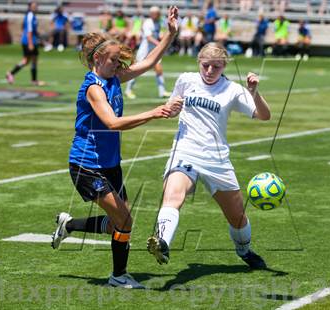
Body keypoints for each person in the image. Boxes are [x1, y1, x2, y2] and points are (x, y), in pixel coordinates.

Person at [51, 6, 181, 289]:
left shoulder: (113, 77)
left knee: (116, 224)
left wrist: (170, 35)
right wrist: (154, 112)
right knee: (125, 220)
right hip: (87, 165)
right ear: (98, 58)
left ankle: (69, 225)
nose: (119, 66)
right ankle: (118, 276)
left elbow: (146, 63)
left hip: (110, 164)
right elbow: (112, 123)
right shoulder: (94, 88)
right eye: (114, 61)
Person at [147, 42, 271, 270]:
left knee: (237, 217)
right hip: (185, 150)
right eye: (205, 65)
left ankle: (244, 250)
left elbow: (264, 115)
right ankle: (162, 241)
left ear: (224, 65)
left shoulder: (232, 90)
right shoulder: (185, 80)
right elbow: (171, 108)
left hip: (217, 159)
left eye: (216, 66)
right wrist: (171, 109)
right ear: (199, 63)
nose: (210, 71)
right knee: (173, 195)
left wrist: (254, 93)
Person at [125, 6, 171, 99]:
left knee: (159, 69)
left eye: (158, 13)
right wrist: (161, 44)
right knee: (136, 70)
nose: (157, 15)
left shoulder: (159, 22)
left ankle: (162, 92)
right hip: (144, 50)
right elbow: (149, 37)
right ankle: (128, 90)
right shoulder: (148, 23)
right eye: (155, 13)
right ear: (151, 14)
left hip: (153, 50)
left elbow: (159, 34)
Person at [6, 1, 44, 86]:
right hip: (29, 42)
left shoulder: (32, 16)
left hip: (30, 41)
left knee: (27, 61)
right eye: (33, 6)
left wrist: (39, 36)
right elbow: (29, 31)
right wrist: (30, 43)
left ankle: (11, 74)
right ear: (29, 7)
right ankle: (33, 80)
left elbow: (29, 29)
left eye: (36, 6)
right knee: (31, 60)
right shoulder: (30, 16)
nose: (35, 7)